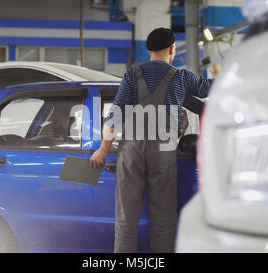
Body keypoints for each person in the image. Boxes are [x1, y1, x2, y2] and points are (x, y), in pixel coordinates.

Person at [90, 27, 219, 253]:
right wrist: (217, 72)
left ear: (148, 50)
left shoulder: (131, 76)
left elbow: (115, 115)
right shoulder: (182, 77)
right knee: (163, 222)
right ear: (171, 49)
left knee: (125, 221)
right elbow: (212, 88)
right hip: (164, 151)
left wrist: (102, 150)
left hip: (131, 152)